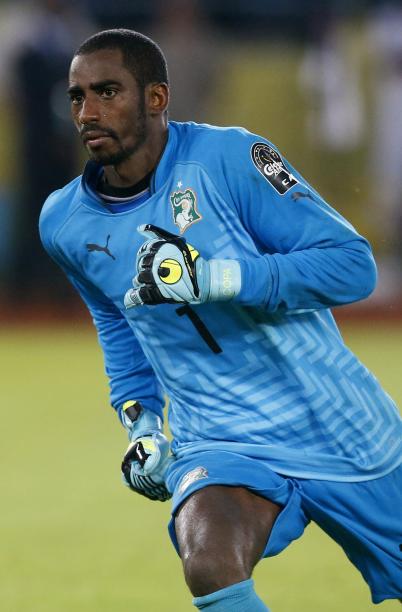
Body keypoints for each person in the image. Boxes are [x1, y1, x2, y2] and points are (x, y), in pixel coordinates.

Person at [39, 29, 402, 611]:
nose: (89, 111)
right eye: (77, 97)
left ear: (157, 98)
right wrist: (141, 426)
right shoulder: (64, 222)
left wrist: (219, 279)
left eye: (108, 92)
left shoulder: (230, 158)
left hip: (338, 426)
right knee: (209, 560)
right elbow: (120, 331)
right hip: (221, 438)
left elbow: (353, 267)